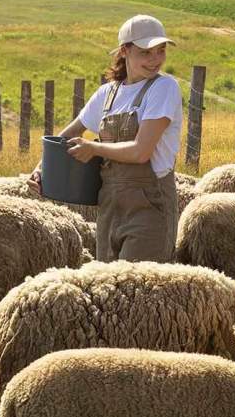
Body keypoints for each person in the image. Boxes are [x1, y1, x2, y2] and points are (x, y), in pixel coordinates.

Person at [30, 14, 182, 262]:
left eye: (161, 51)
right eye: (146, 52)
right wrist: (41, 170)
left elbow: (141, 151)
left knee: (137, 282)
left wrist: (95, 148)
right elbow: (69, 134)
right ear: (125, 51)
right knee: (107, 282)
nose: (155, 60)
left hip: (150, 208)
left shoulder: (164, 88)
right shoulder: (107, 94)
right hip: (109, 206)